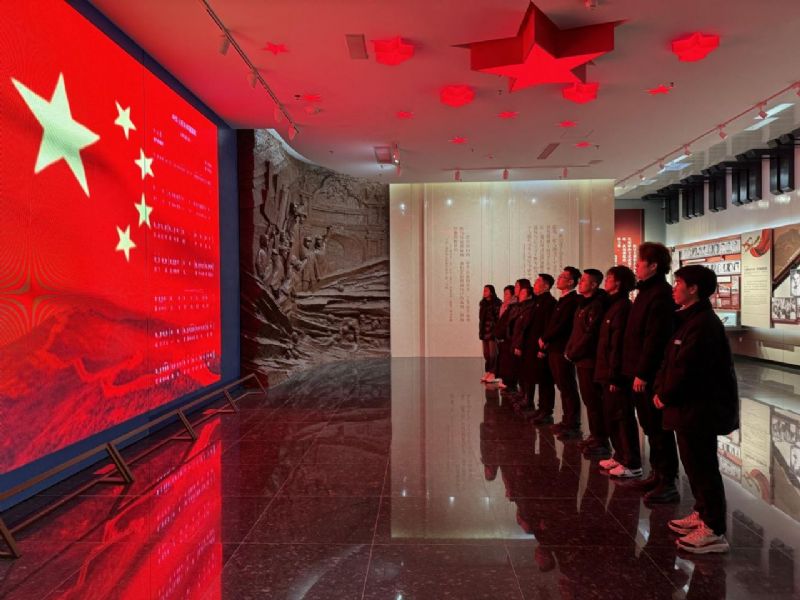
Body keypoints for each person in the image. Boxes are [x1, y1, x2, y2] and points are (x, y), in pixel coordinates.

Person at [654, 265, 739, 554]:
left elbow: (689, 369)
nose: (674, 288)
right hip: (688, 407)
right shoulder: (690, 319)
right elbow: (671, 360)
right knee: (693, 463)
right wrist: (662, 389)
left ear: (693, 289)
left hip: (699, 409)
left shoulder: (703, 324)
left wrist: (665, 394)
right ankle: (702, 512)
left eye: (678, 283)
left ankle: (714, 529)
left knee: (703, 466)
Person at [622, 242, 679, 504]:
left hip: (649, 374)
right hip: (638, 370)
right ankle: (657, 474)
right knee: (649, 426)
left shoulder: (660, 294)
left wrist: (643, 373)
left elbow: (655, 339)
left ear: (653, 265)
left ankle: (667, 481)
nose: (636, 266)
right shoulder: (646, 292)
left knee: (658, 429)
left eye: (639, 262)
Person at [594, 265, 642, 478]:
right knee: (612, 416)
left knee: (623, 417)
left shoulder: (623, 307)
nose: (606, 281)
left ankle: (632, 462)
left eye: (609, 278)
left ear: (619, 283)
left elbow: (618, 345)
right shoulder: (613, 305)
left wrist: (615, 375)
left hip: (615, 374)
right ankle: (620, 455)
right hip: (607, 371)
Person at [564, 268, 609, 457]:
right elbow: (576, 331)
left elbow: (590, 335)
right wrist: (570, 349)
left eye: (583, 281)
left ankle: (601, 440)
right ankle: (595, 435)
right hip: (581, 359)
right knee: (589, 400)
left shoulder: (596, 305)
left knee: (594, 401)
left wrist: (573, 352)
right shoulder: (583, 304)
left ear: (594, 284)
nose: (580, 283)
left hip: (589, 360)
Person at [540, 266, 582, 440]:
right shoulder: (563, 299)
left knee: (568, 386)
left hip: (562, 348)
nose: (559, 279)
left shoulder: (573, 300)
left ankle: (573, 424)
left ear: (571, 282)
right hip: (554, 347)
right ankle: (566, 420)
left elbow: (563, 325)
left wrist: (546, 337)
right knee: (562, 386)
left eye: (563, 277)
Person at [525, 274, 557, 425]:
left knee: (546, 380)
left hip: (542, 347)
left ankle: (546, 411)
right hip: (534, 347)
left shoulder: (550, 302)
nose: (535, 284)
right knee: (539, 378)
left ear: (546, 286)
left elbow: (547, 326)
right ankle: (541, 408)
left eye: (538, 282)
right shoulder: (537, 301)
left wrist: (543, 348)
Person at [510, 279, 535, 404]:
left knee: (526, 373)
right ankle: (522, 393)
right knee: (519, 370)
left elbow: (524, 328)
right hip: (516, 341)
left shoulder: (530, 307)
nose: (518, 293)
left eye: (522, 292)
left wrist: (519, 345)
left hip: (524, 345)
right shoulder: (520, 306)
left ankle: (527, 398)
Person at [493, 285, 517, 389]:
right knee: (502, 360)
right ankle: (504, 379)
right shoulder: (503, 306)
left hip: (508, 338)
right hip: (501, 337)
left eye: (507, 294)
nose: (505, 296)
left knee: (508, 362)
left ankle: (510, 384)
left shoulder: (513, 307)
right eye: (504, 293)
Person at [479, 285, 502, 382]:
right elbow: (481, 319)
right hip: (484, 331)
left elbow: (498, 319)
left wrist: (496, 331)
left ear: (491, 292)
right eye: (484, 290)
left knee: (493, 354)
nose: (484, 292)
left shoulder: (497, 303)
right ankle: (488, 371)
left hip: (492, 332)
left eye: (486, 290)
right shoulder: (483, 303)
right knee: (486, 354)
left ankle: (494, 373)